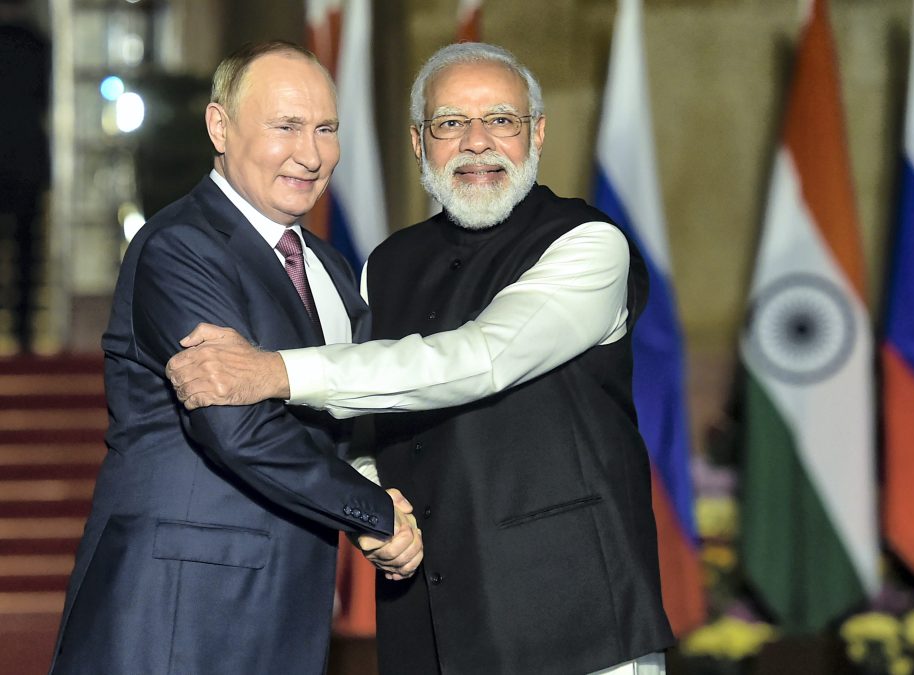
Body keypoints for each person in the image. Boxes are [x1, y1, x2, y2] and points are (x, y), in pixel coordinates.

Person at [166, 42, 674, 675]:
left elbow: (482, 359)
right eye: (450, 123)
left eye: (502, 120)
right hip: (427, 623)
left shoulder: (589, 244)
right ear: (418, 143)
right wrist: (372, 506)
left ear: (537, 133)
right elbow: (361, 425)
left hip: (575, 620)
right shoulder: (386, 264)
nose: (477, 142)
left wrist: (277, 371)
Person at [49, 41, 423, 675]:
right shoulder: (181, 246)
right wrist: (375, 511)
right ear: (219, 127)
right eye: (286, 127)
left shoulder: (330, 268)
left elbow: (350, 412)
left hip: (284, 607)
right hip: (177, 607)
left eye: (326, 129)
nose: (311, 154)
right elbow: (237, 426)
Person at [0, 0, 49, 353]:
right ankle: (23, 332)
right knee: (26, 252)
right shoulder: (37, 43)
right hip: (27, 156)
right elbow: (44, 98)